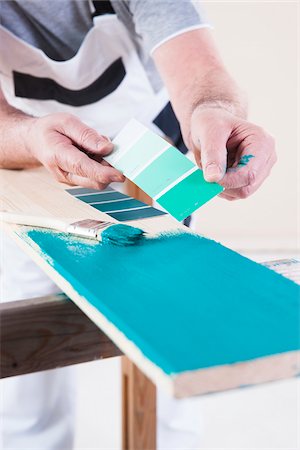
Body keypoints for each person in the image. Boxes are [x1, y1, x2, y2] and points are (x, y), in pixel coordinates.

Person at [0, 1, 276, 449]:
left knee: (169, 328)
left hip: (152, 167)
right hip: (34, 170)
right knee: (29, 351)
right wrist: (30, 138)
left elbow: (200, 71)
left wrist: (217, 109)